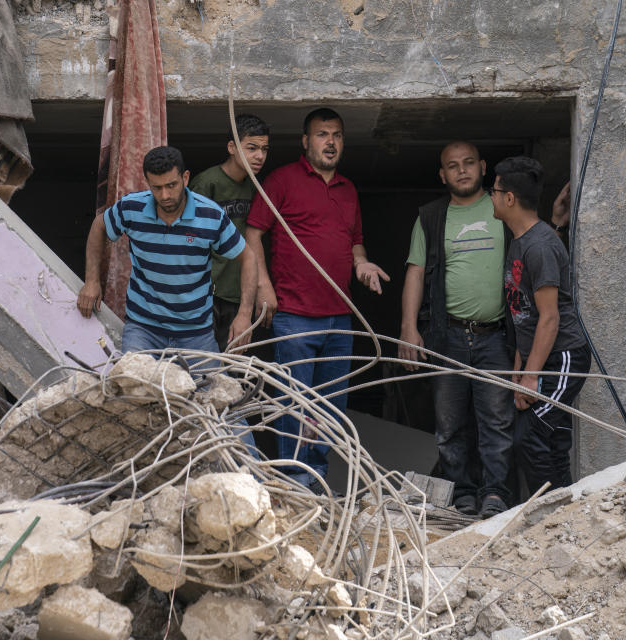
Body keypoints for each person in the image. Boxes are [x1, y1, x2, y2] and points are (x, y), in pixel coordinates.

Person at [244, 108, 388, 488]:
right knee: (294, 403)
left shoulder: (348, 189)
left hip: (340, 317)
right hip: (294, 315)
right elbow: (253, 234)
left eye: (337, 135)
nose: (331, 142)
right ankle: (293, 481)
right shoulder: (281, 180)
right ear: (305, 141)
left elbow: (355, 243)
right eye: (322, 134)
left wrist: (362, 265)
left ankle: (318, 480)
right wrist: (264, 287)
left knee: (330, 408)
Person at [398, 141, 513, 518]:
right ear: (442, 175)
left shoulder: (502, 207)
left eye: (468, 163)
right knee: (449, 426)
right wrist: (408, 327)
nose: (461, 171)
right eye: (452, 166)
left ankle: (495, 495)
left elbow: (531, 243)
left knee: (496, 422)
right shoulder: (431, 217)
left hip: (495, 334)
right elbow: (415, 272)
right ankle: (462, 495)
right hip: (447, 335)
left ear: (482, 167)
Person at [76, 146, 257, 354]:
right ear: (148, 183)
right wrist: (91, 281)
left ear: (186, 178)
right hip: (143, 329)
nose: (165, 195)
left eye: (172, 185)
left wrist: (244, 314)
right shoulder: (131, 208)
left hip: (196, 333)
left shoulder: (210, 215)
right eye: (157, 188)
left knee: (211, 386)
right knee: (133, 383)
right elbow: (99, 226)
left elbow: (248, 258)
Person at [491, 156, 590, 495]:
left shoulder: (540, 245)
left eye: (494, 190)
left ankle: (547, 513)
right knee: (550, 442)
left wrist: (530, 378)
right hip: (537, 355)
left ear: (509, 199)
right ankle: (563, 515)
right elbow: (524, 318)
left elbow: (549, 318)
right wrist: (519, 374)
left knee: (531, 437)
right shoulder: (522, 241)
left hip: (562, 357)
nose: (490, 197)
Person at [189, 114, 270, 350]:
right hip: (207, 293)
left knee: (233, 368)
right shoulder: (207, 183)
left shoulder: (254, 186)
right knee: (202, 366)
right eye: (252, 148)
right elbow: (191, 241)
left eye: (265, 149)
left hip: (237, 292)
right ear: (232, 147)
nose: (260, 156)